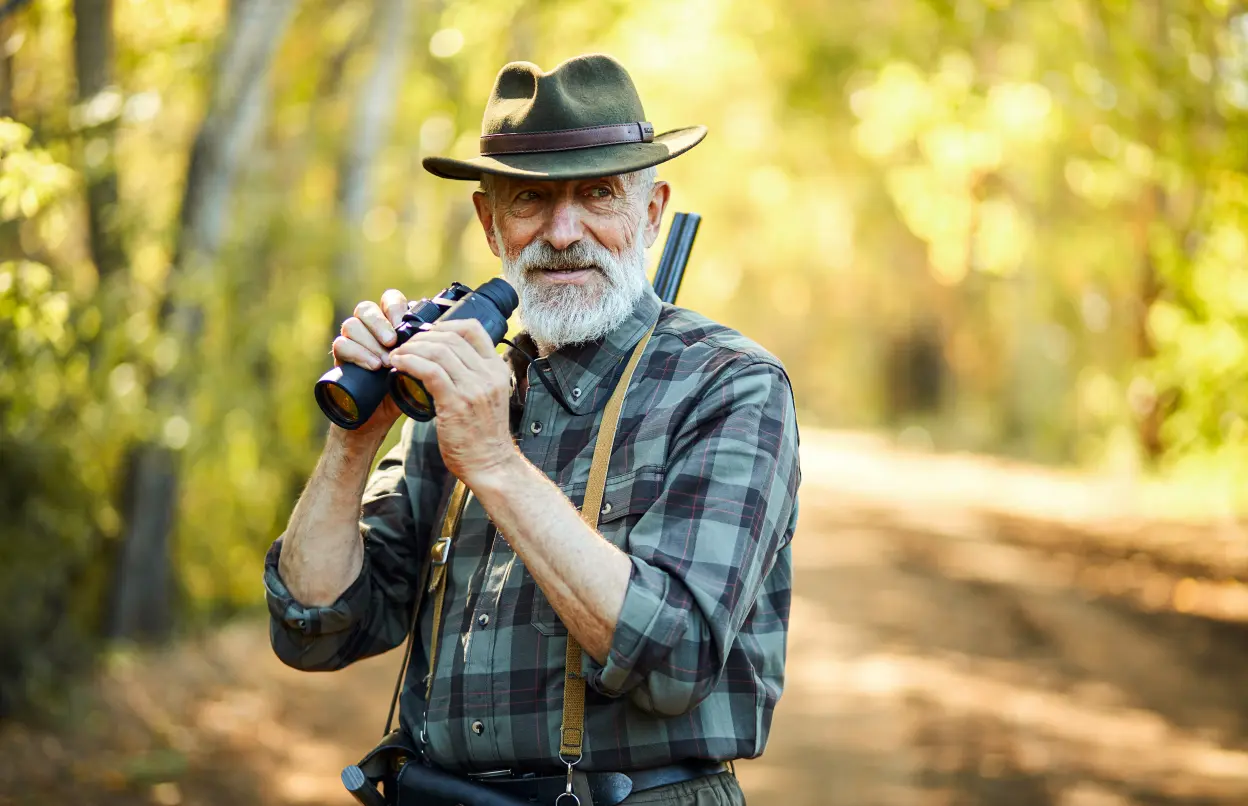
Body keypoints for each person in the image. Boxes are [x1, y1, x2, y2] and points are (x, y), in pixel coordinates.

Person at [264, 53, 801, 806]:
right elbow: (317, 628)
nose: (563, 232)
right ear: (491, 224)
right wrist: (356, 438)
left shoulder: (728, 385)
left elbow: (674, 659)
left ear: (651, 212)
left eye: (598, 194)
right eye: (529, 199)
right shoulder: (464, 390)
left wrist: (494, 461)